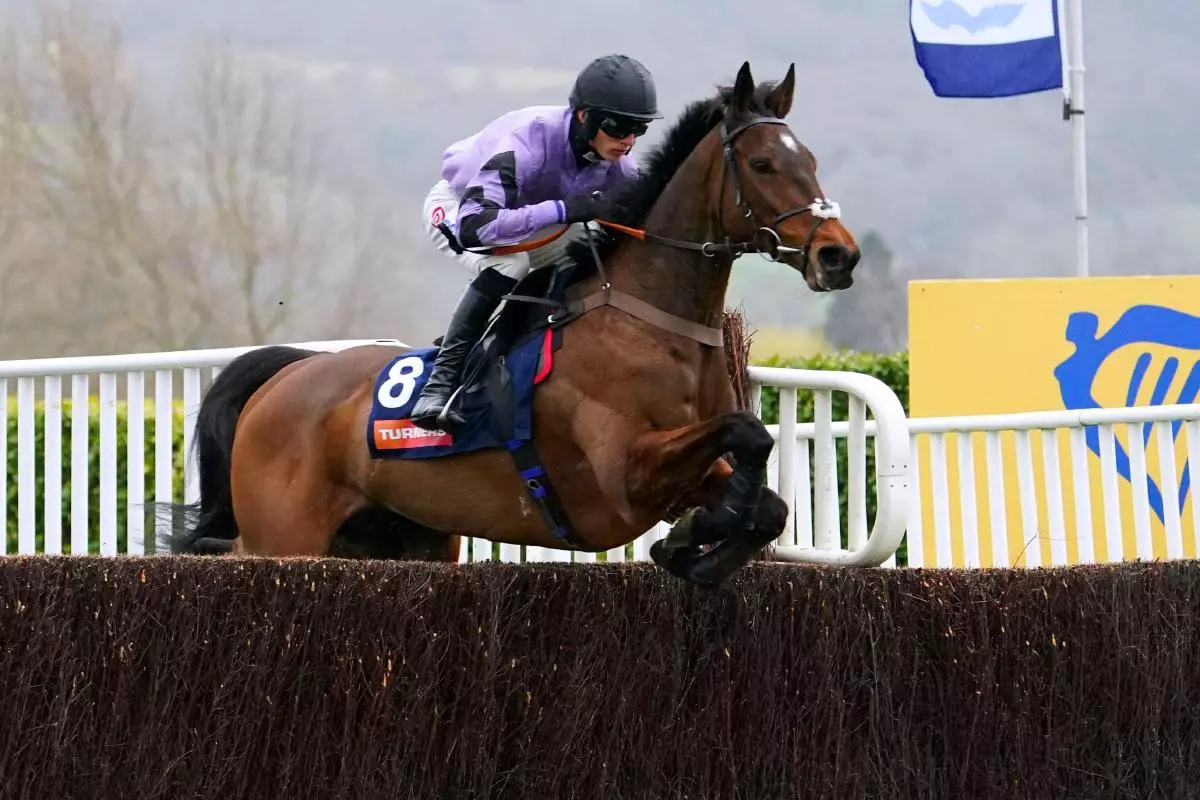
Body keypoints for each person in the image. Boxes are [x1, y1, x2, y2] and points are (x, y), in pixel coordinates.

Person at [410, 54, 660, 430]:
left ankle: (521, 351)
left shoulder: (620, 166)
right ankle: (441, 382)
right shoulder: (526, 143)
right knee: (510, 264)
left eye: (638, 129)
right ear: (583, 116)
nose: (627, 141)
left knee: (588, 244)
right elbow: (477, 226)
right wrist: (561, 209)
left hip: (522, 218)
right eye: (618, 127)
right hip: (461, 210)